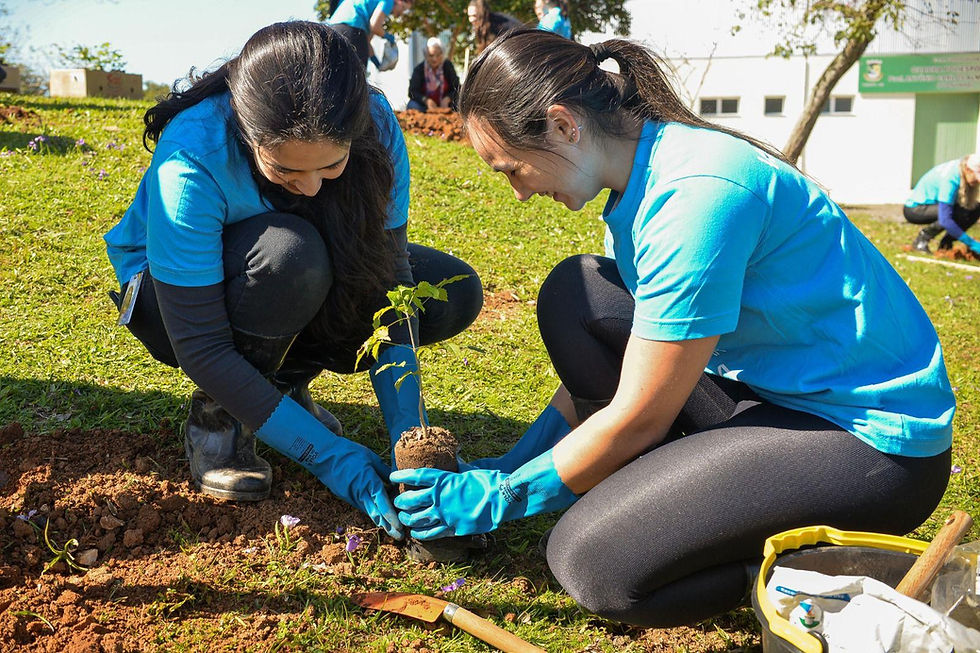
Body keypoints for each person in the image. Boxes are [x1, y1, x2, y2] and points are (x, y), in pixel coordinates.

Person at [391, 30, 954, 628]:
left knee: (592, 562)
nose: (520, 192)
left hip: (869, 446)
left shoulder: (696, 196)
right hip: (769, 392)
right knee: (576, 293)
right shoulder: (639, 177)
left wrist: (506, 497)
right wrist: (510, 466)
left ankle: (803, 572)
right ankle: (677, 496)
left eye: (512, 169)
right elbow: (636, 362)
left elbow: (640, 414)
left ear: (562, 125)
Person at [103, 22, 483, 540]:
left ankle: (282, 387)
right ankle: (220, 418)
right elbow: (201, 345)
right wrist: (329, 456)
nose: (310, 187)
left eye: (332, 165)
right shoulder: (193, 153)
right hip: (174, 303)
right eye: (285, 171)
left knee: (448, 289)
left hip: (295, 268)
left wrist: (410, 438)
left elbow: (390, 285)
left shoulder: (376, 123)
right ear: (249, 135)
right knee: (290, 258)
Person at [904, 154, 980, 255]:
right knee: (953, 213)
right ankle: (922, 240)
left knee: (975, 209)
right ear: (967, 169)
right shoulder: (950, 179)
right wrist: (972, 244)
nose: (978, 181)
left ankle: (946, 244)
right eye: (977, 176)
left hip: (933, 206)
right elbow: (945, 220)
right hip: (915, 209)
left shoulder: (961, 167)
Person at [329, 0, 413, 67]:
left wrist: (375, 61)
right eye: (403, 8)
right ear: (399, 1)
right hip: (352, 30)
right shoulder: (389, 1)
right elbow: (375, 26)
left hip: (333, 29)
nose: (400, 13)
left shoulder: (368, 7)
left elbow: (367, 41)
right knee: (355, 77)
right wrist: (387, 36)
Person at [407, 37, 460, 112]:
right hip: (425, 107)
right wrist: (426, 100)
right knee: (412, 105)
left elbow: (457, 88)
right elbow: (412, 91)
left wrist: (448, 98)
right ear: (426, 55)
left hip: (446, 106)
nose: (434, 59)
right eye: (431, 55)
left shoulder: (448, 66)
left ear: (442, 54)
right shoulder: (419, 69)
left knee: (460, 103)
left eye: (438, 55)